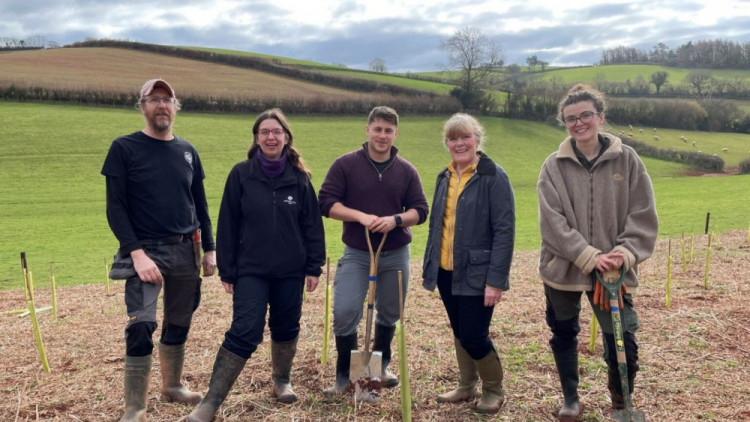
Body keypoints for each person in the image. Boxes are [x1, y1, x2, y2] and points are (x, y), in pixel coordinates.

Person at [187, 108, 325, 421]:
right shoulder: (241, 175)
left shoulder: (300, 179)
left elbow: (312, 226)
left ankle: (281, 381)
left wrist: (314, 266)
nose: (271, 136)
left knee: (287, 325)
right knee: (245, 330)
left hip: (291, 270)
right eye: (264, 132)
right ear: (257, 138)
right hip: (251, 270)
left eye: (277, 131)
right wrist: (228, 269)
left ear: (287, 138)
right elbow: (228, 224)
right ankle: (210, 401)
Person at [537, 84, 658, 421]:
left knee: (622, 338)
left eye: (585, 115)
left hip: (614, 270)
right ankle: (571, 398)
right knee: (564, 333)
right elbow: (552, 222)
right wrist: (588, 255)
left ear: (600, 117)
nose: (579, 123)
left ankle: (621, 400)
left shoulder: (628, 160)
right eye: (571, 118)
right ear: (565, 123)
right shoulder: (553, 166)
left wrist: (623, 254)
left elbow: (643, 213)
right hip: (564, 269)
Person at [101, 78, 217, 422]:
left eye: (168, 99)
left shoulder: (187, 151)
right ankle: (135, 407)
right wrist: (136, 254)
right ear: (142, 106)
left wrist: (210, 249)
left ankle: (173, 386)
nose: (162, 105)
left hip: (185, 251)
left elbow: (200, 205)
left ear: (176, 107)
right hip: (144, 251)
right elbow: (115, 209)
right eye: (154, 99)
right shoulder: (124, 148)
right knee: (141, 324)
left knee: (180, 319)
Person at [318, 106, 429, 395]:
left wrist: (395, 220)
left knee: (390, 311)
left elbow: (420, 210)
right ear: (367, 130)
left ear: (395, 134)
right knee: (345, 310)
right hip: (357, 251)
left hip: (395, 253)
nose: (382, 135)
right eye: (377, 129)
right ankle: (345, 375)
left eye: (388, 130)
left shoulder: (406, 170)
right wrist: (361, 216)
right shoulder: (345, 165)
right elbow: (326, 202)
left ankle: (377, 370)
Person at [421, 113, 515, 414]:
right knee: (460, 331)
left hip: (478, 272)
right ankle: (466, 386)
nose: (459, 143)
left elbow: (504, 229)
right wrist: (431, 266)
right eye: (453, 138)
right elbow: (438, 224)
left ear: (477, 139)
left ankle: (493, 390)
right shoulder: (444, 176)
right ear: (447, 143)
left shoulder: (493, 176)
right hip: (447, 270)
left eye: (465, 137)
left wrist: (495, 280)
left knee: (475, 334)